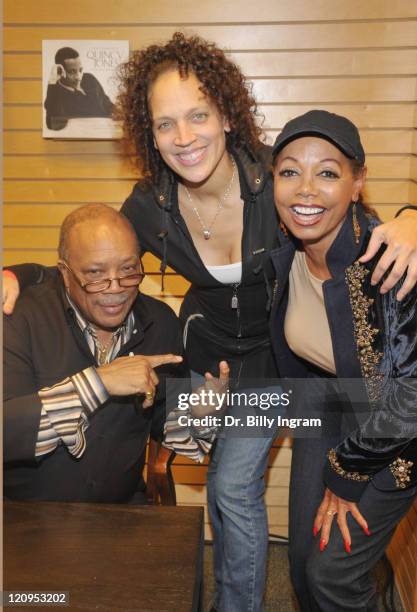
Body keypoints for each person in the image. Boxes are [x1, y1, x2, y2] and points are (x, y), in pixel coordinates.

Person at [3, 33, 417, 612]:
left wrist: (410, 218)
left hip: (278, 360)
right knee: (212, 482)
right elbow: (95, 260)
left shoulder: (278, 175)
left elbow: (346, 207)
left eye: (197, 114)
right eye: (164, 123)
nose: (183, 137)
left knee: (230, 486)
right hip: (209, 357)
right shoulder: (149, 206)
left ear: (226, 114)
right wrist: (17, 272)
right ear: (150, 134)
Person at [270, 110, 417, 611]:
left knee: (333, 574)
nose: (305, 189)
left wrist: (346, 477)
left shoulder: (390, 265)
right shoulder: (282, 247)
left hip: (399, 433)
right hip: (329, 403)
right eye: (290, 171)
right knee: (301, 561)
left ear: (357, 184)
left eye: (328, 172)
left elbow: (408, 402)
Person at [4, 203, 228, 502]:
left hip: (118, 517)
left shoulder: (159, 322)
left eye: (128, 269)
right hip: (26, 521)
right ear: (65, 273)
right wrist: (99, 382)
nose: (116, 288)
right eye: (95, 274)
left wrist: (202, 416)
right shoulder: (19, 317)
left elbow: (169, 429)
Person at [44, 46, 114, 130]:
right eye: (72, 72)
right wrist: (52, 81)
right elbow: (53, 125)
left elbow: (107, 103)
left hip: (108, 129)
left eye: (80, 70)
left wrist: (120, 113)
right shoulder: (56, 93)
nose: (79, 77)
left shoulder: (89, 78)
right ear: (60, 71)